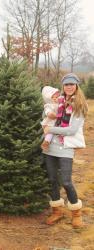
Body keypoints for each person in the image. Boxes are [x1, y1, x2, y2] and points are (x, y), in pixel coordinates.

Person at [42, 73, 88, 228]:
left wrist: (50, 129)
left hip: (65, 147)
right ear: (63, 86)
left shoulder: (79, 105)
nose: (69, 87)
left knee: (66, 181)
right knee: (52, 180)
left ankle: (76, 212)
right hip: (50, 147)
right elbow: (46, 113)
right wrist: (47, 115)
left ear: (76, 86)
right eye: (66, 84)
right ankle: (57, 211)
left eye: (72, 84)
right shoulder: (58, 101)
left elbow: (71, 130)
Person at [41, 86, 60, 151]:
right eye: (53, 97)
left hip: (57, 121)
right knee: (50, 132)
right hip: (50, 122)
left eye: (57, 97)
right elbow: (48, 113)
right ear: (48, 98)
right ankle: (46, 142)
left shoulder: (59, 104)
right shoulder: (48, 105)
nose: (55, 99)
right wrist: (53, 114)